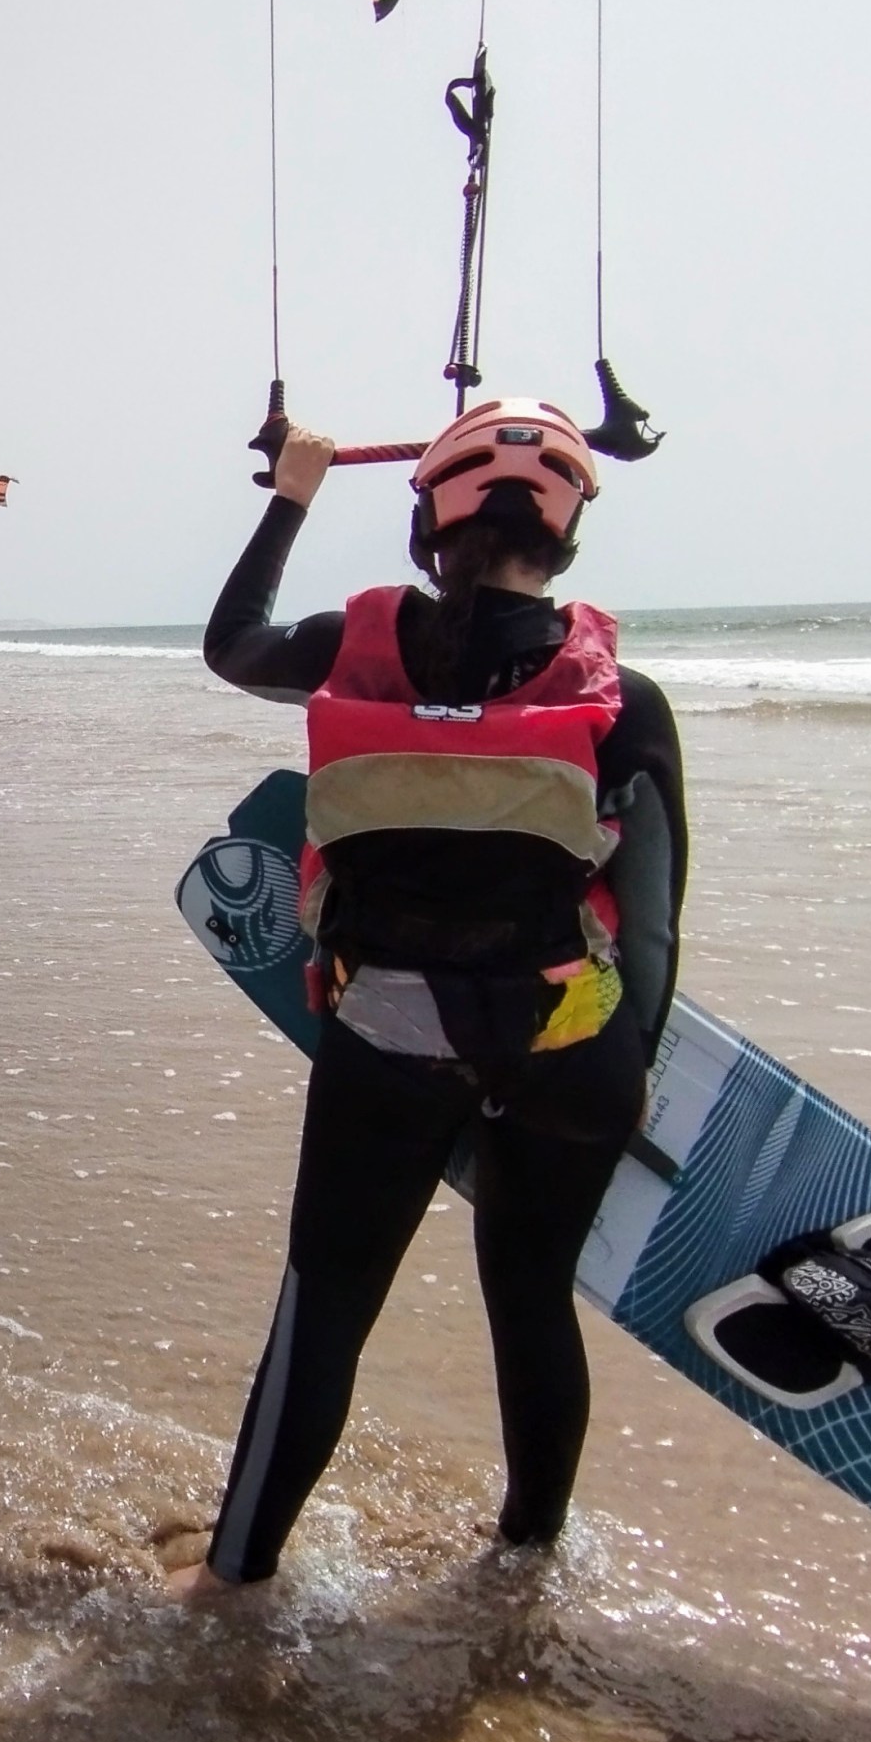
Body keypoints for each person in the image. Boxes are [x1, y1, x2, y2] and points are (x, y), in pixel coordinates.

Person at [172, 400, 686, 1594]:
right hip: (567, 1048)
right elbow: (650, 927)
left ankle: (234, 1574)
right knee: (528, 1295)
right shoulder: (623, 693)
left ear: (425, 525)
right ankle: (522, 1567)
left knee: (328, 1305)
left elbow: (227, 641)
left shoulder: (343, 648)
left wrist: (292, 492)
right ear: (560, 543)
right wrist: (628, 1071)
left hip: (386, 1035)